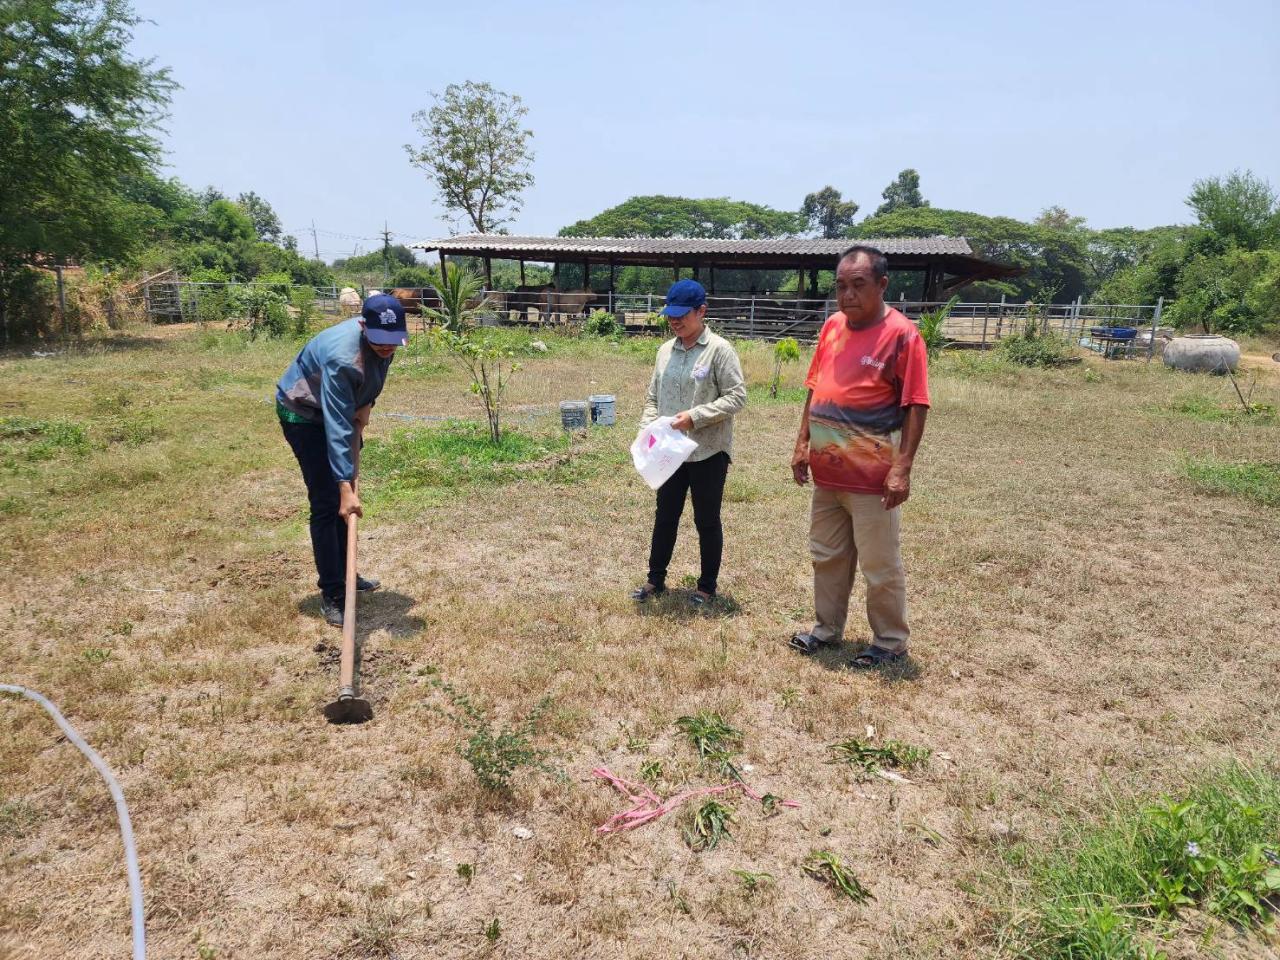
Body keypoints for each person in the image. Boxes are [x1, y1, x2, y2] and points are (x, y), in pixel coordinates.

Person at [788, 245, 930, 668]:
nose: (847, 295)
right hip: (828, 473)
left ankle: (889, 641)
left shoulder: (903, 335)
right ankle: (826, 629)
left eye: (858, 285)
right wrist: (802, 443)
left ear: (882, 285)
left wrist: (901, 468)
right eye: (841, 286)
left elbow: (916, 404)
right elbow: (815, 388)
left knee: (879, 563)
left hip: (872, 477)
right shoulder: (832, 326)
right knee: (827, 555)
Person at [276, 294, 408, 626]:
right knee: (328, 501)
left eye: (393, 343)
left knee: (341, 503)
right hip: (304, 413)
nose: (387, 348)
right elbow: (335, 426)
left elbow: (374, 376)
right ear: (364, 327)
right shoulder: (342, 358)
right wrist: (345, 486)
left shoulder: (385, 341)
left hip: (341, 410)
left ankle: (347, 572)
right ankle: (333, 592)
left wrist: (366, 406)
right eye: (380, 342)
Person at [632, 279, 747, 606]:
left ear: (702, 311)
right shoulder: (664, 351)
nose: (675, 320)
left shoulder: (719, 350)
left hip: (707, 451)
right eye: (670, 314)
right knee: (665, 514)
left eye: (683, 314)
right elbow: (653, 396)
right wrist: (647, 431)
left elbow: (737, 397)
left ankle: (706, 587)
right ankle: (655, 580)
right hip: (669, 452)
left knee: (706, 519)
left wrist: (695, 417)